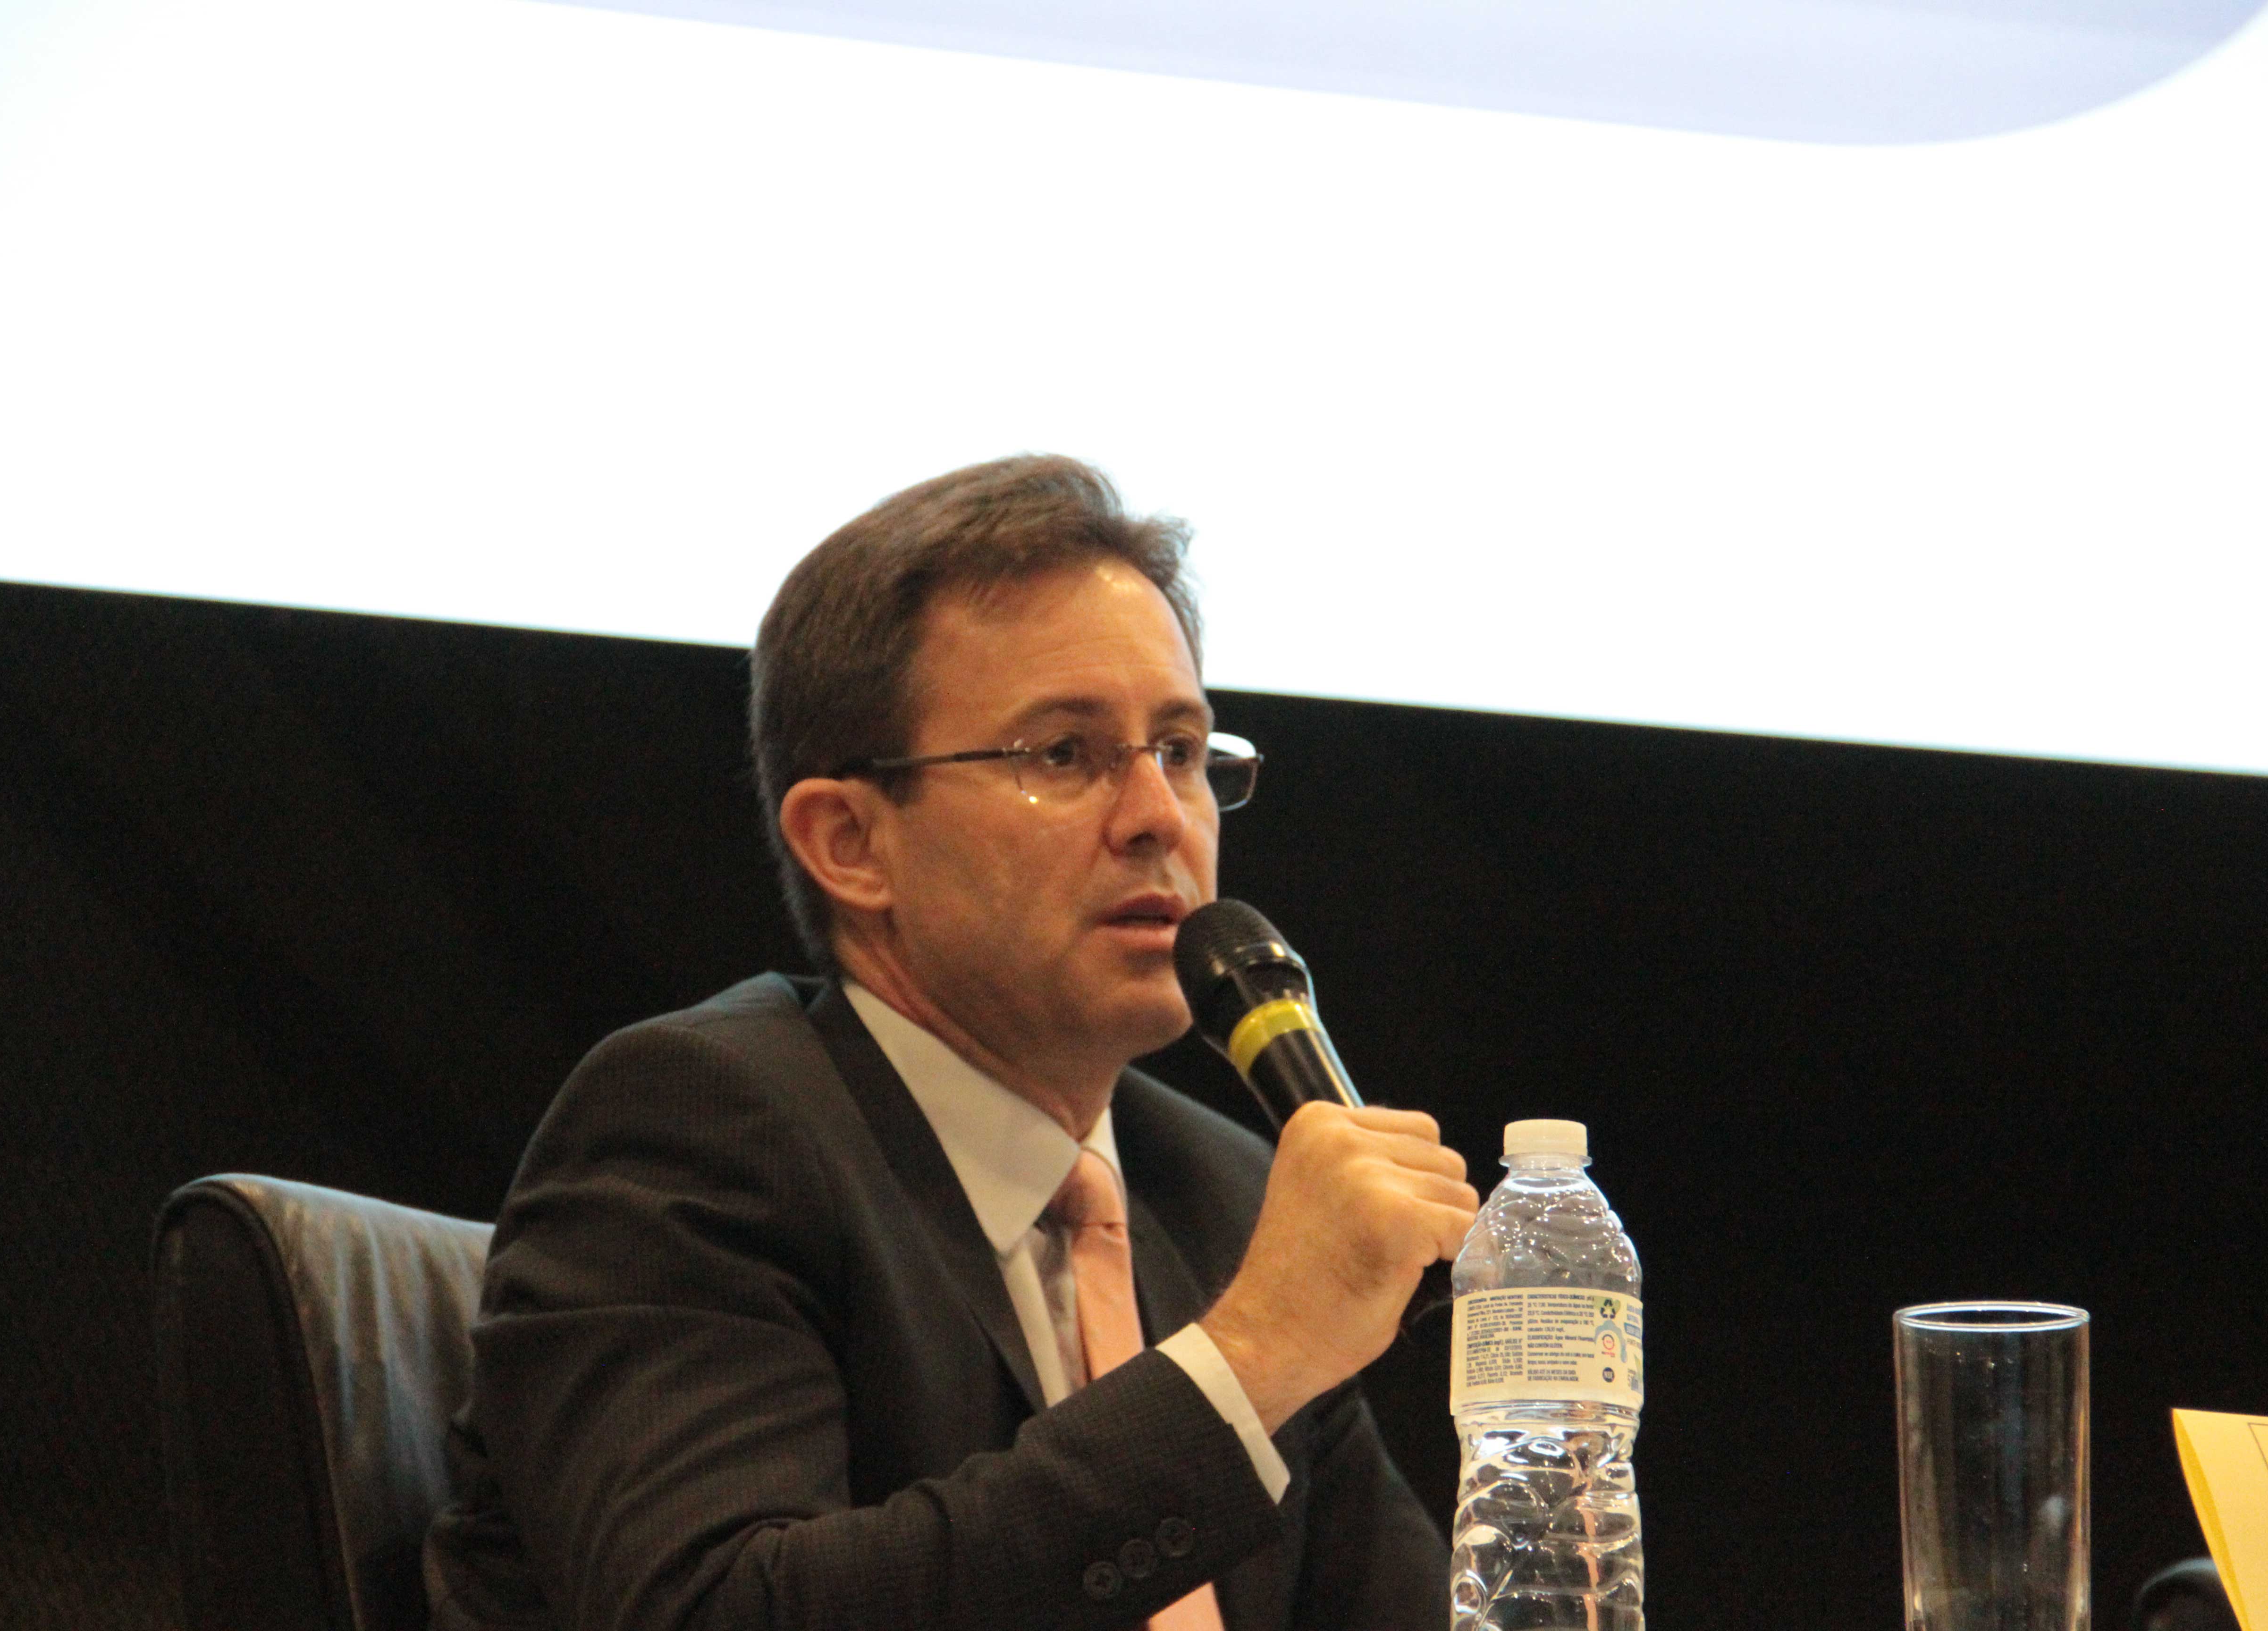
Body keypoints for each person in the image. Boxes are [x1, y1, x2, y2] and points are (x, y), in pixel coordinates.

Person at [423, 455, 1478, 1631]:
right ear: (851, 842)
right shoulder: (696, 1130)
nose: (1158, 819)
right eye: (1063, 754)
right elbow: (717, 1611)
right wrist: (1250, 1356)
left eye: (1181, 752)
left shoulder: (1223, 1194)